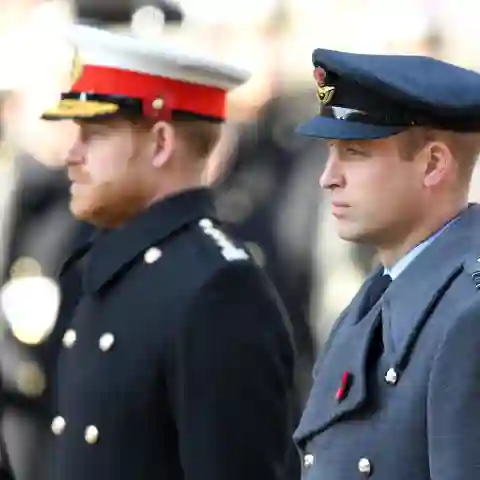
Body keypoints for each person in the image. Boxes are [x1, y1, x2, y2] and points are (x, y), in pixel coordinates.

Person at [40, 25, 295, 480]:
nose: (70, 154)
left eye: (93, 134)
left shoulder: (219, 288)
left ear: (160, 144)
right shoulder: (106, 266)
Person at [293, 48, 480, 479]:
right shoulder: (375, 299)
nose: (328, 177)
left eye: (354, 153)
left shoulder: (468, 316)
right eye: (330, 151)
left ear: (433, 164)